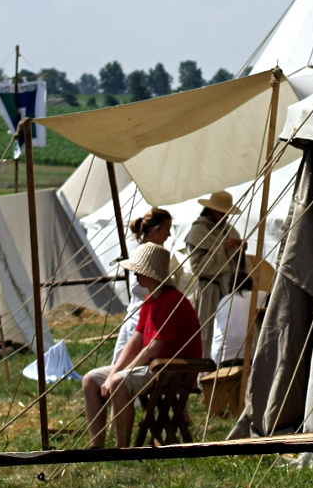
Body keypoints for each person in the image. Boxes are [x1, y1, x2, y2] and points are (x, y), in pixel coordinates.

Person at [82, 242, 202, 449]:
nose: (135, 274)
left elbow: (154, 347)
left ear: (152, 273)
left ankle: (122, 449)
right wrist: (114, 373)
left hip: (175, 370)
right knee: (90, 380)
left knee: (118, 382)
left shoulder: (172, 300)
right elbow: (136, 341)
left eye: (139, 270)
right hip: (156, 367)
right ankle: (96, 446)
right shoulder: (150, 300)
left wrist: (119, 376)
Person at [184, 190, 245, 345]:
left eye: (226, 213)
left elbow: (238, 265)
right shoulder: (198, 231)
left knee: (230, 332)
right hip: (209, 290)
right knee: (208, 333)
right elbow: (197, 267)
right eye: (220, 213)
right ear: (211, 210)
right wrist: (222, 250)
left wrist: (240, 251)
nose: (224, 216)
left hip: (229, 289)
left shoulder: (230, 230)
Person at [113, 208, 173, 363]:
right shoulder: (142, 252)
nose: (169, 234)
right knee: (130, 363)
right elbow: (136, 287)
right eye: (167, 229)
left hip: (147, 317)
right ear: (156, 229)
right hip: (139, 317)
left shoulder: (158, 254)